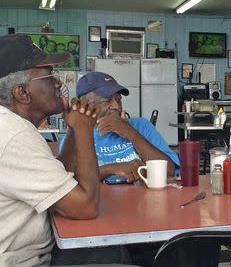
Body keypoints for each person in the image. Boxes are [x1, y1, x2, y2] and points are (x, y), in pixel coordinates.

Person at [0, 34, 132, 266]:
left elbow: (59, 174)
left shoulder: (12, 126)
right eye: (51, 76)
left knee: (115, 251)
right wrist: (83, 129)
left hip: (43, 248)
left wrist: (74, 129)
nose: (59, 84)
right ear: (22, 93)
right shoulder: (13, 134)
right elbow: (86, 207)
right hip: (25, 262)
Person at [59, 71, 179, 183]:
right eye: (107, 101)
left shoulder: (141, 126)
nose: (116, 106)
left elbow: (169, 171)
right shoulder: (76, 138)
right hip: (102, 203)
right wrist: (109, 170)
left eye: (118, 99)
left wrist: (130, 133)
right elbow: (69, 182)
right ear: (85, 103)